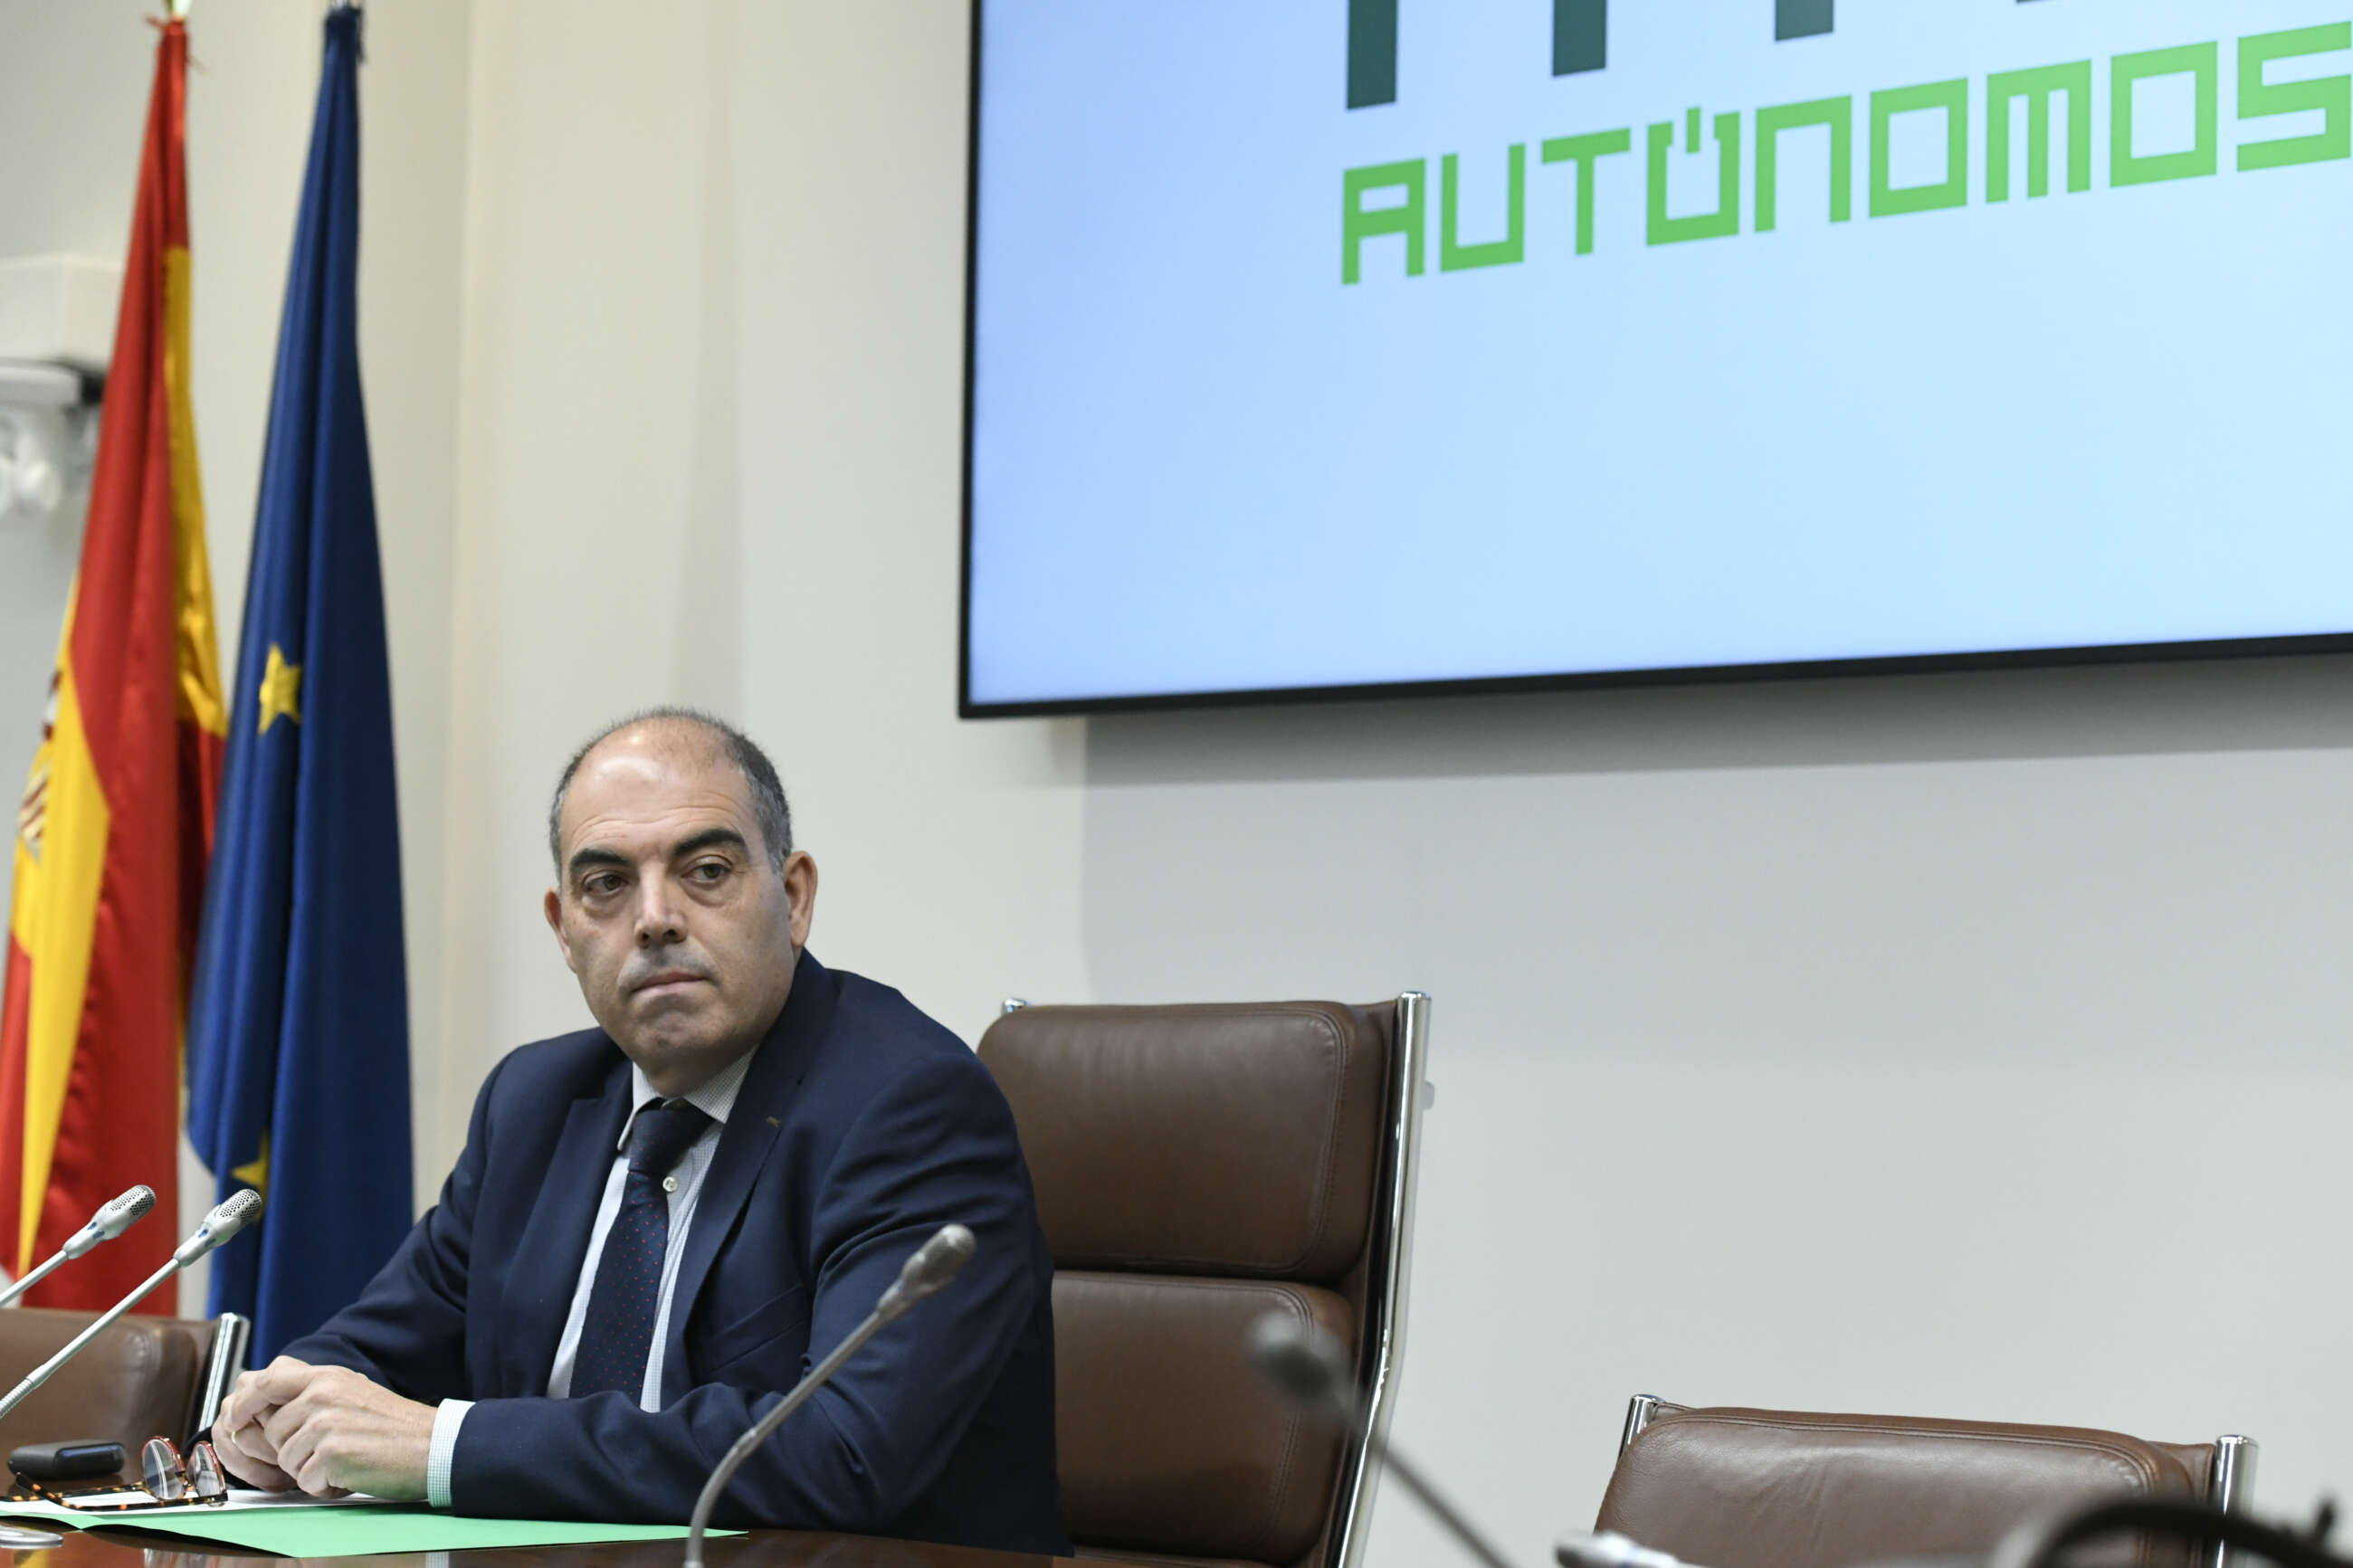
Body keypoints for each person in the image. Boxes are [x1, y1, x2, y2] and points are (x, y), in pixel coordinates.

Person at [212, 709, 1066, 1555]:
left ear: (794, 896)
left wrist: (444, 1448)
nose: (654, 918)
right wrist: (285, 1413)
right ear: (563, 927)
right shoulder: (535, 1102)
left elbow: (844, 1452)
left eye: (705, 870)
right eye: (607, 884)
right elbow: (379, 1348)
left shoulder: (909, 1105)